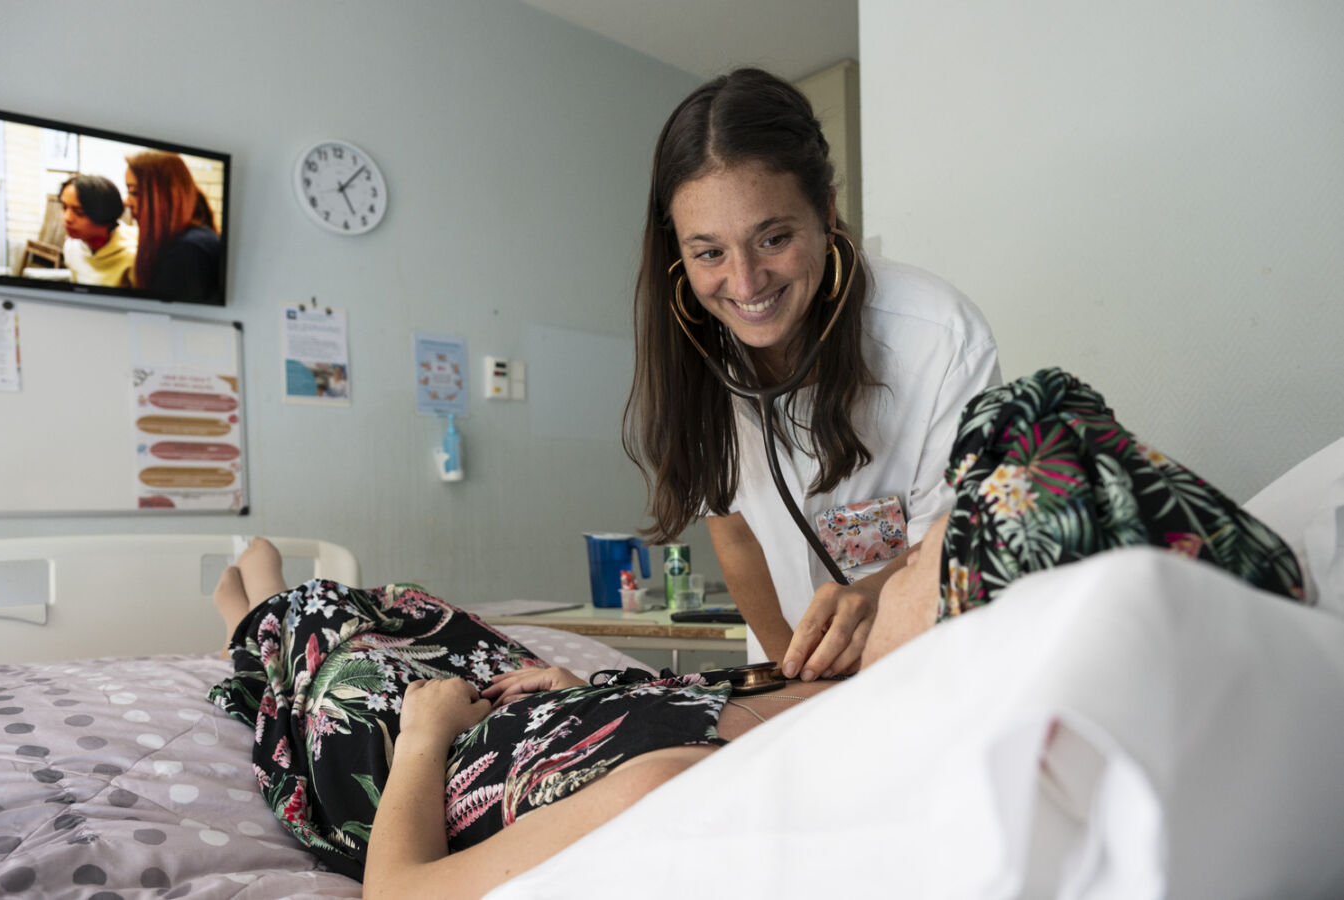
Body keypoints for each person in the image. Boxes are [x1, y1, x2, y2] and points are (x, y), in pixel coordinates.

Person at [210, 369, 1303, 899]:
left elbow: (402, 895)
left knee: (299, 613)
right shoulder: (819, 700)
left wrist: (424, 738)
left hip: (422, 756)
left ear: (972, 636)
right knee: (416, 607)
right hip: (538, 707)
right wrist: (567, 699)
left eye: (917, 563)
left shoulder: (683, 790)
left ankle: (250, 586)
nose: (876, 580)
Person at [622, 67, 1001, 683]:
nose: (745, 284)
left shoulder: (938, 338)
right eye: (709, 252)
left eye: (773, 238)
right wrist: (790, 685)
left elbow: (951, 547)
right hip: (788, 671)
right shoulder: (696, 348)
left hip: (924, 665)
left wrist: (873, 594)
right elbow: (737, 533)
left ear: (825, 214)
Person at [123, 150, 222, 302]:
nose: (126, 202)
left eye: (134, 192)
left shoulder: (189, 250)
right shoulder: (191, 241)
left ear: (163, 196)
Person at [58, 174, 137, 286]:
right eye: (64, 207)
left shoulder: (132, 256)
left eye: (80, 212)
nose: (67, 218)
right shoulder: (71, 246)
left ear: (105, 214)